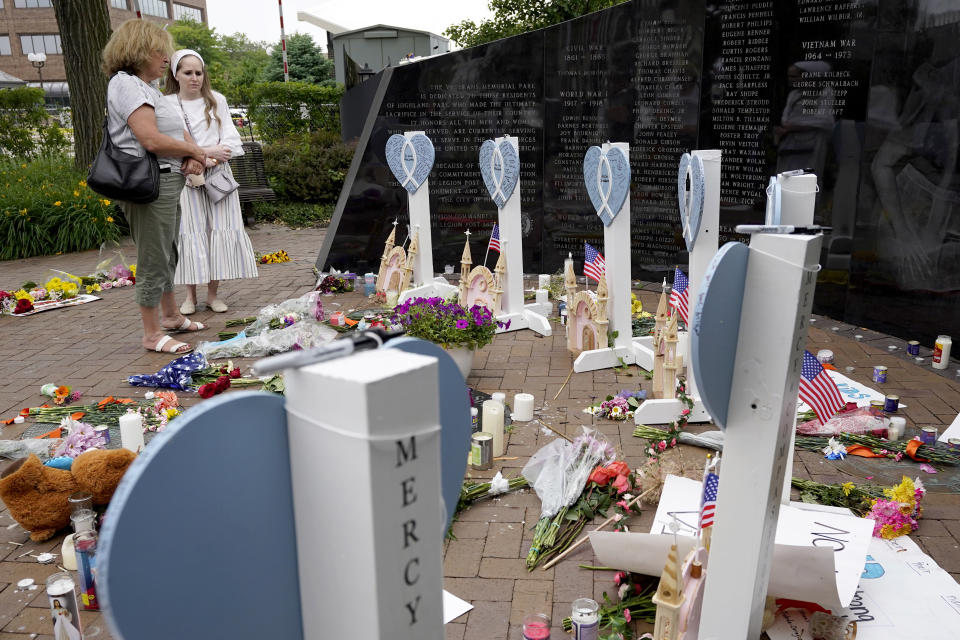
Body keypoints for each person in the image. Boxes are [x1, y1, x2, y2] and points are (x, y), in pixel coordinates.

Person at [102, 20, 208, 354]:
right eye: (159, 50)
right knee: (154, 255)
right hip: (151, 184)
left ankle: (171, 316)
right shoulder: (127, 85)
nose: (167, 57)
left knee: (168, 251)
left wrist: (191, 154)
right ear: (137, 50)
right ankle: (151, 334)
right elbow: (149, 139)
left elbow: (173, 132)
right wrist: (193, 152)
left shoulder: (145, 87)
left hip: (166, 179)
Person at [164, 49, 258, 314]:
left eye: (198, 72)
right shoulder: (168, 104)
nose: (194, 78)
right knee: (190, 232)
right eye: (188, 72)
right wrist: (204, 154)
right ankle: (190, 297)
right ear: (176, 74)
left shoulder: (217, 100)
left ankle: (213, 294)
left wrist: (209, 159)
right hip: (187, 177)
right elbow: (170, 142)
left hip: (218, 177)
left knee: (218, 231)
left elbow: (230, 140)